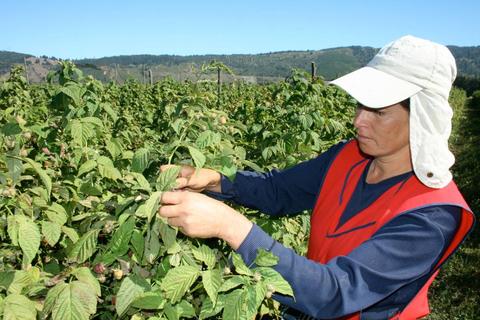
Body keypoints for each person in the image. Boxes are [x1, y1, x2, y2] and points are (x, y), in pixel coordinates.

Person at [158, 35, 475, 319]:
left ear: (421, 118)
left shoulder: (433, 214)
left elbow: (337, 292)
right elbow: (278, 191)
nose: (359, 121)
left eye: (379, 112)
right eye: (360, 106)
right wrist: (215, 180)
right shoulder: (347, 157)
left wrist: (229, 226)